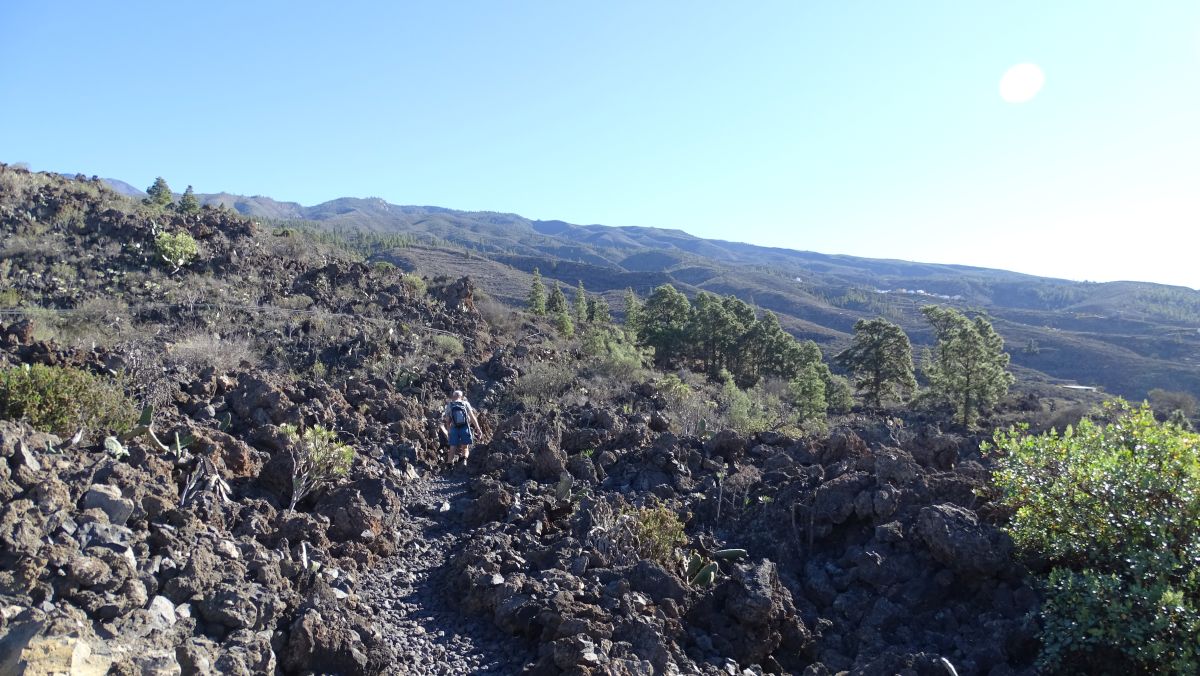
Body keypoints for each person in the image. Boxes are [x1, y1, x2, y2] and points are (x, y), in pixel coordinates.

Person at [441, 390, 482, 465]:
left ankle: (450, 464)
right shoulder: (465, 403)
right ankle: (464, 462)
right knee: (465, 447)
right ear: (461, 397)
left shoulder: (450, 405)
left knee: (452, 447)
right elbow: (472, 417)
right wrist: (478, 428)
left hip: (454, 427)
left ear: (453, 397)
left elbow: (448, 420)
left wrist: (449, 430)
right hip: (465, 427)